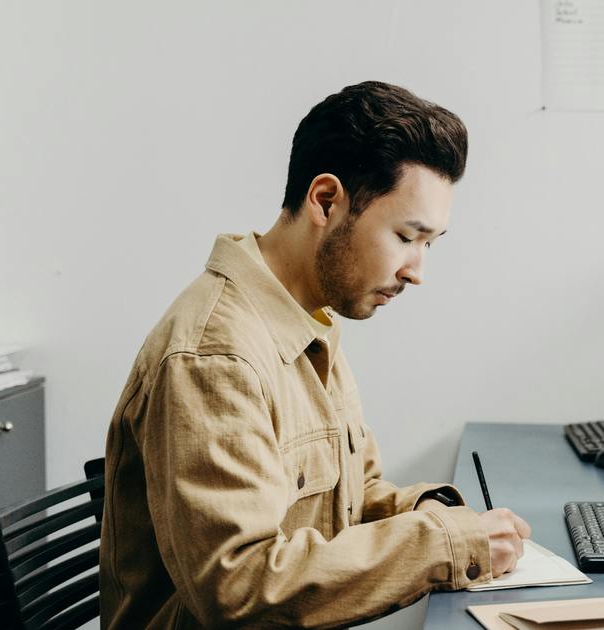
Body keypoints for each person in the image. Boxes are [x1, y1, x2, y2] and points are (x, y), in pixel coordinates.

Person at [99, 81, 532, 629]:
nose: (417, 271)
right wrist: (445, 544)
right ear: (326, 201)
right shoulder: (216, 359)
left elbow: (354, 498)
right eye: (406, 236)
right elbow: (240, 588)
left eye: (431, 243)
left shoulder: (310, 320)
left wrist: (433, 512)